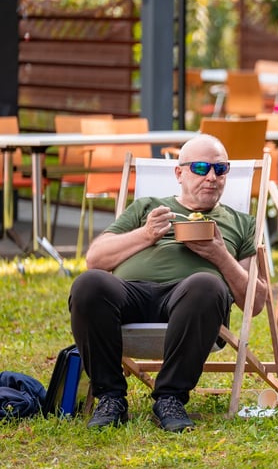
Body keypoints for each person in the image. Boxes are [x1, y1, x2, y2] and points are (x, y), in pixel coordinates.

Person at [68, 134, 267, 432]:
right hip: (130, 294)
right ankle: (110, 398)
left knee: (207, 284)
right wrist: (146, 235)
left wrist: (221, 256)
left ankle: (170, 398)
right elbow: (96, 258)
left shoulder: (241, 223)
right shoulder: (149, 207)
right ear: (179, 173)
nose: (212, 177)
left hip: (191, 301)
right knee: (89, 284)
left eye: (220, 169)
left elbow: (256, 302)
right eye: (200, 168)